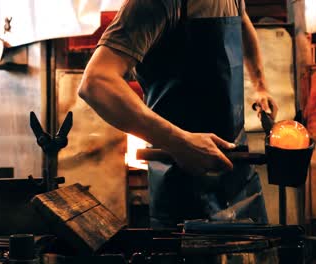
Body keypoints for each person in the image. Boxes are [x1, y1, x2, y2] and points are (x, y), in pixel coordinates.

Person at [78, 0, 279, 228]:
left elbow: (243, 24)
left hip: (238, 173)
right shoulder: (155, 4)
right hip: (182, 181)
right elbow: (96, 83)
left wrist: (261, 85)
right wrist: (181, 143)